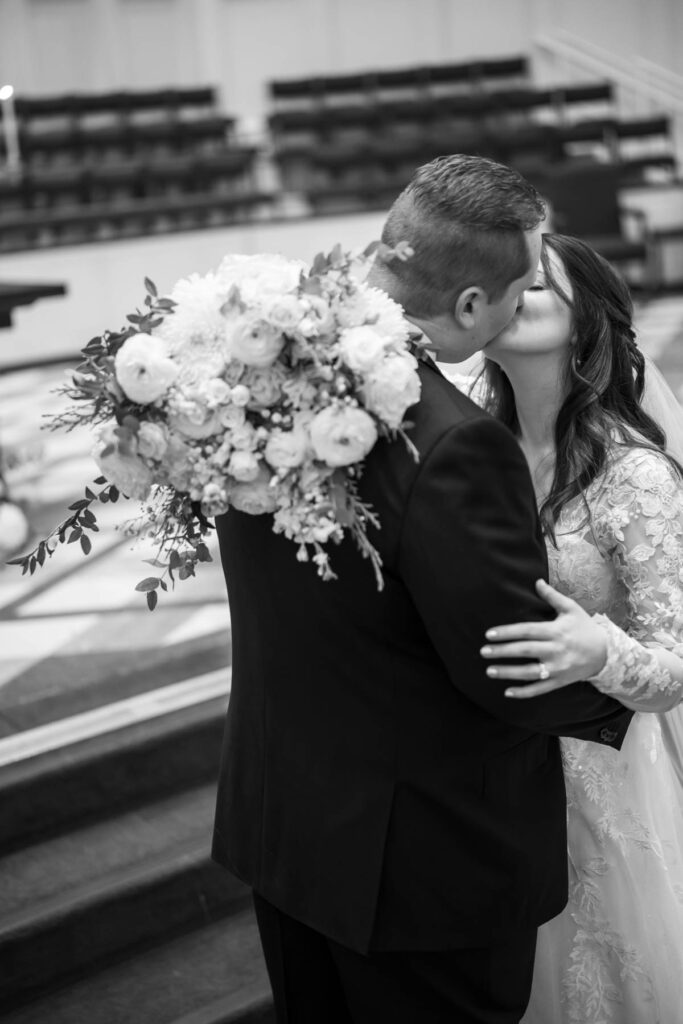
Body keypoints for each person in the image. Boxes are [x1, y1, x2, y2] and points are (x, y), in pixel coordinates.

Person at [211, 156, 632, 1024]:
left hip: (286, 822)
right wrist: (625, 678)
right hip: (417, 867)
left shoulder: (260, 372)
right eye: (518, 291)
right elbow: (505, 666)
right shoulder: (458, 444)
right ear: (471, 306)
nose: (521, 309)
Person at [470, 232, 683, 1023]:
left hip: (603, 774)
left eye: (532, 284)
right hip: (491, 766)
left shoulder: (635, 474)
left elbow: (677, 665)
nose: (506, 293)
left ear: (585, 316)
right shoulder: (469, 450)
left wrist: (601, 649)